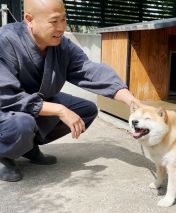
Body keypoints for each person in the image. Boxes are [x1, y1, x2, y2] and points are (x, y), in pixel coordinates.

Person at [0, 0, 140, 182]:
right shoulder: (5, 41)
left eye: (64, 19)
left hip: (37, 104)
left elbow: (90, 71)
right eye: (54, 21)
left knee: (86, 110)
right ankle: (4, 154)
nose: (61, 28)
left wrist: (130, 100)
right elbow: (7, 97)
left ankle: (28, 147)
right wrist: (60, 110)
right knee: (22, 124)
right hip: (6, 108)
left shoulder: (61, 45)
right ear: (29, 20)